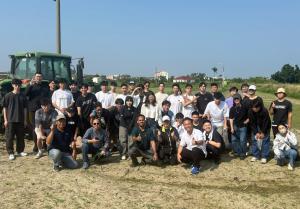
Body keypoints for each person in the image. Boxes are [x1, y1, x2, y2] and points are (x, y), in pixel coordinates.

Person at [3, 79, 28, 160]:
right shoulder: (8, 96)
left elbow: (25, 109)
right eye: (16, 85)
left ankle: (20, 151)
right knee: (9, 137)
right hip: (10, 120)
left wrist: (25, 120)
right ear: (12, 85)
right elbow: (5, 108)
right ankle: (10, 153)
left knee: (20, 137)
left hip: (20, 120)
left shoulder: (23, 96)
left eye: (19, 85)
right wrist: (5, 120)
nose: (17, 87)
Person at [25, 73, 50, 152]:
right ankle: (36, 145)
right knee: (35, 128)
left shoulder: (45, 87)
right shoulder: (31, 86)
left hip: (43, 109)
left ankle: (45, 144)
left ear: (42, 78)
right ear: (34, 78)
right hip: (33, 109)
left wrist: (47, 107)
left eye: (40, 77)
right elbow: (25, 94)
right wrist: (29, 85)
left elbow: (47, 97)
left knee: (45, 126)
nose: (38, 78)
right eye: (37, 77)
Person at [248, 98, 271, 164]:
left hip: (265, 126)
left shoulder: (264, 110)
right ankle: (256, 155)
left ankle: (264, 156)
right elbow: (252, 123)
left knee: (265, 141)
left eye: (256, 108)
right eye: (253, 107)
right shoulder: (250, 111)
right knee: (254, 139)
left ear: (260, 106)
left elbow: (266, 122)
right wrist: (256, 132)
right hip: (255, 125)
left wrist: (263, 132)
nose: (254, 109)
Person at [229, 94, 248, 159]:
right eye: (235, 99)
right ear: (233, 100)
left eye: (238, 99)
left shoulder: (245, 107)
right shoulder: (232, 108)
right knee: (234, 140)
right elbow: (231, 118)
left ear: (240, 99)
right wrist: (231, 127)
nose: (236, 100)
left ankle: (243, 153)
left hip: (243, 127)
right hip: (235, 126)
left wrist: (247, 121)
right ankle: (240, 152)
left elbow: (250, 115)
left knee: (242, 140)